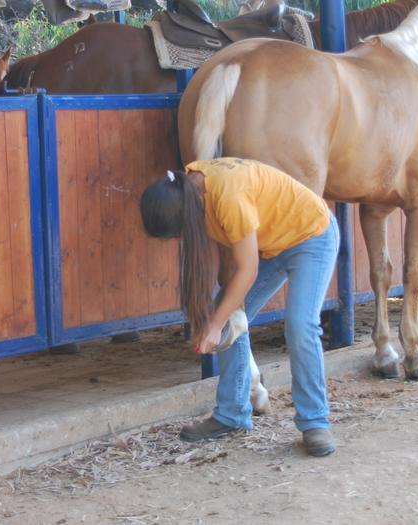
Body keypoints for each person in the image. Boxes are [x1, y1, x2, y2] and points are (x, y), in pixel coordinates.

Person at [139, 157, 339, 457]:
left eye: (178, 234)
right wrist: (211, 316)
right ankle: (231, 416)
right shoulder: (193, 187)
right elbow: (219, 250)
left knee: (300, 324)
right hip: (272, 244)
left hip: (311, 236)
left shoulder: (227, 196)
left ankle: (314, 422)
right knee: (229, 316)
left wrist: (215, 324)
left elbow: (248, 270)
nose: (180, 239)